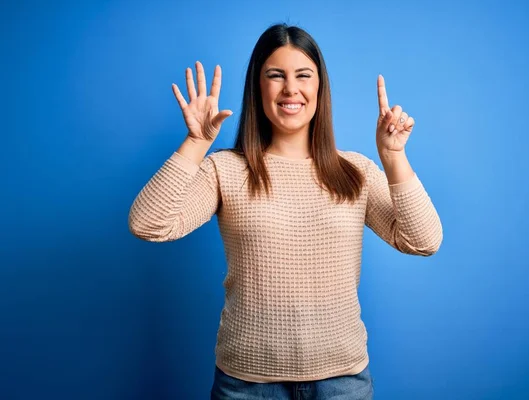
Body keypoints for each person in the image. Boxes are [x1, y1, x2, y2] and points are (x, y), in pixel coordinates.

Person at [128, 22, 443, 399]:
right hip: (246, 385)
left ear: (319, 88)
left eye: (303, 75)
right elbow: (148, 224)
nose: (291, 88)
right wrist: (196, 144)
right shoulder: (226, 169)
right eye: (275, 75)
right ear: (257, 87)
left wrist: (393, 158)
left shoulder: (354, 171)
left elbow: (424, 241)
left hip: (341, 382)